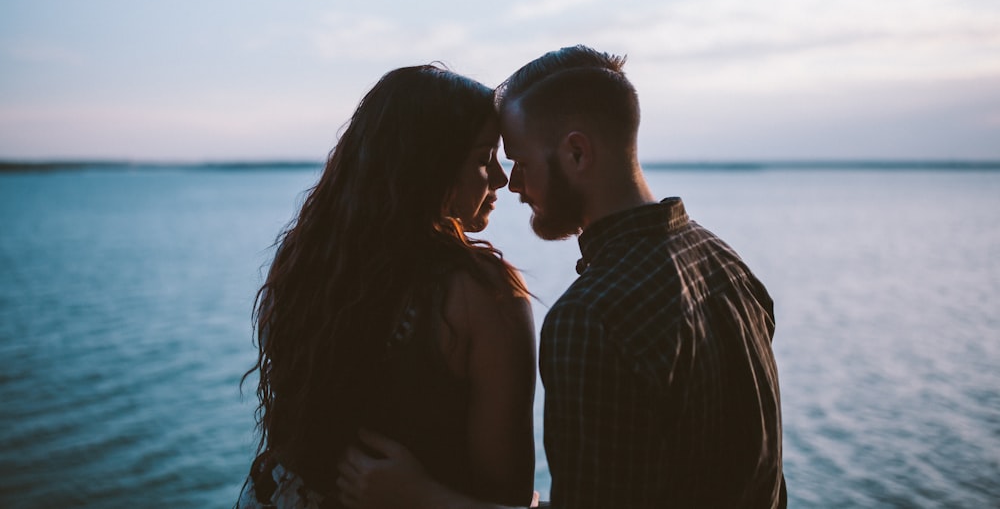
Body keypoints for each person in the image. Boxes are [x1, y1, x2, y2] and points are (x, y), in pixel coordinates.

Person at [337, 46, 786, 508]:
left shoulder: (593, 317)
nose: (511, 184)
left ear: (576, 152)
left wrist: (419, 497)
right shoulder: (728, 267)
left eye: (521, 162)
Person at [238, 65, 537, 509]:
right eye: (482, 157)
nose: (499, 179)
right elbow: (510, 495)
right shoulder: (484, 294)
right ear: (428, 166)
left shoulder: (309, 264)